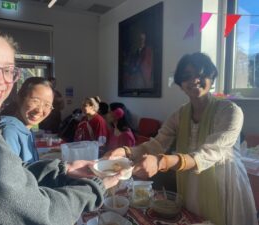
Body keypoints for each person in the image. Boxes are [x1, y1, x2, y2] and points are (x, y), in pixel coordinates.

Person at [0, 23, 120, 225]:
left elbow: (12, 175)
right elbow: (43, 216)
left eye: (8, 70)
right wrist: (97, 185)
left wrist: (64, 169)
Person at [105, 52, 257, 225]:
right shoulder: (179, 115)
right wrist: (126, 152)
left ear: (212, 77)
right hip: (192, 183)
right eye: (187, 77)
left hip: (225, 183)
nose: (194, 80)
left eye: (201, 74)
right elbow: (156, 144)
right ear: (181, 85)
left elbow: (210, 152)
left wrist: (161, 162)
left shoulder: (230, 111)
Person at [0, 77, 54, 163]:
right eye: (35, 101)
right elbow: (10, 173)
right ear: (20, 98)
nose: (39, 110)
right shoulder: (10, 131)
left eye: (47, 105)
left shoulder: (25, 128)